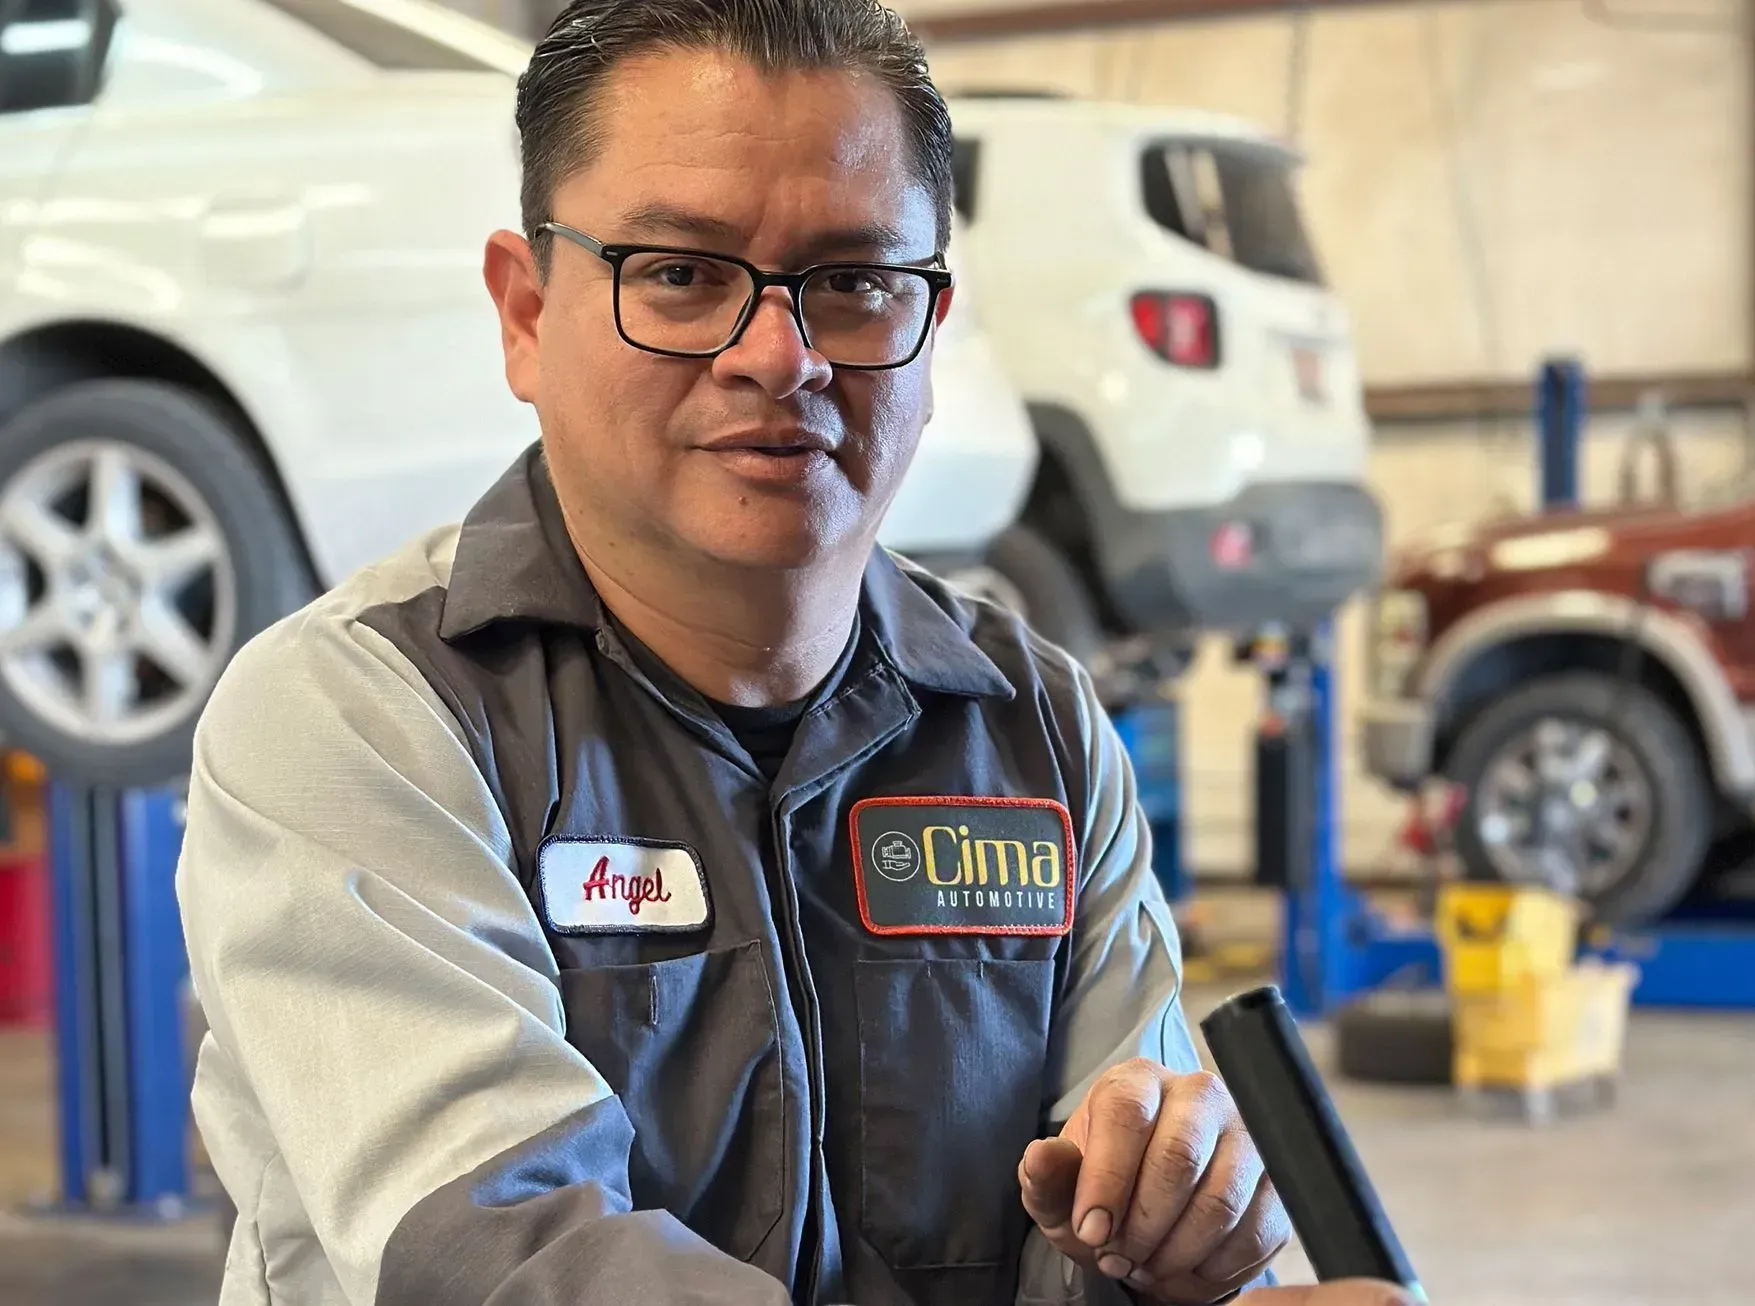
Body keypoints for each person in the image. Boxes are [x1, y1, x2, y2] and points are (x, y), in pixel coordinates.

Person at [176, 2, 1415, 1304]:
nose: (780, 355)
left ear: (933, 328)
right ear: (527, 312)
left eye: (854, 282)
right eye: (680, 273)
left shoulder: (1033, 727)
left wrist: (1181, 1213)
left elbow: (1126, 1212)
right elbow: (514, 1261)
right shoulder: (358, 720)